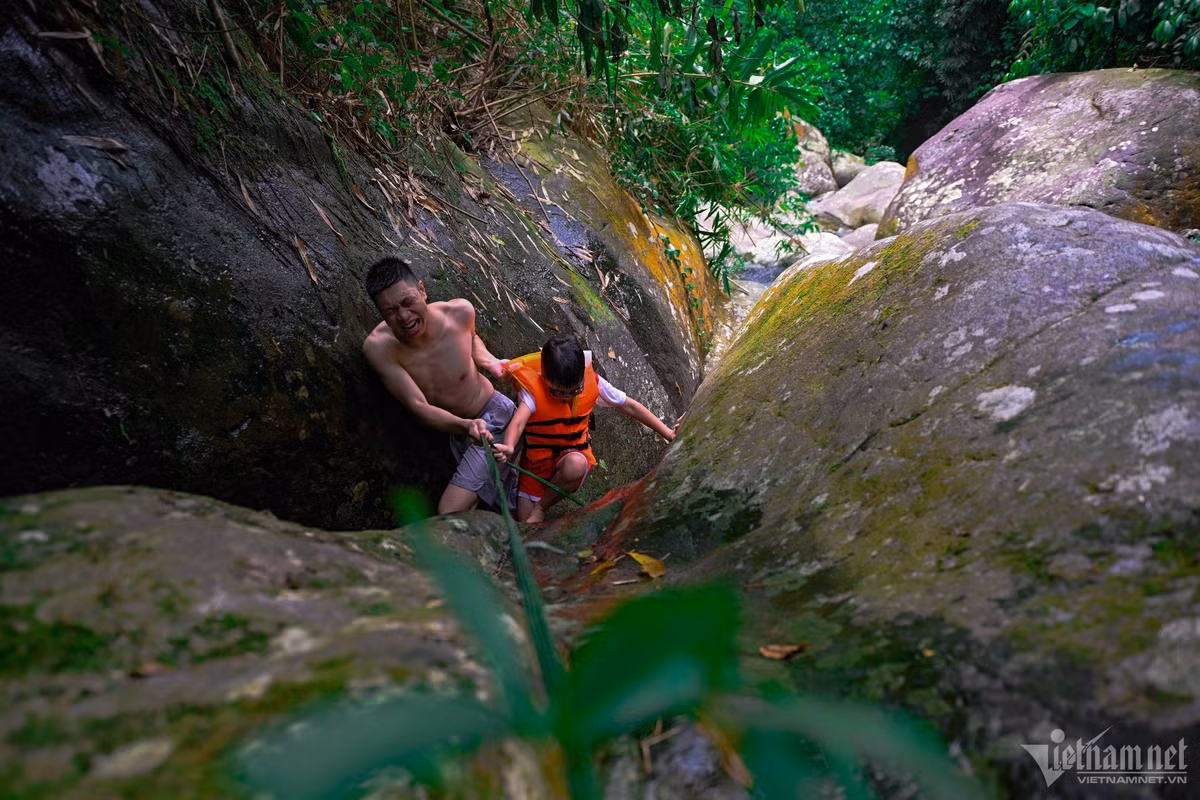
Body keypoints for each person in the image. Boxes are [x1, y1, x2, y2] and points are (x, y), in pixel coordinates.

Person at [362, 257, 515, 514]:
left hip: (493, 417)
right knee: (498, 507)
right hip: (460, 430)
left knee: (450, 511)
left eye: (408, 302)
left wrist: (490, 361)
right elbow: (417, 404)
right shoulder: (379, 349)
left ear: (422, 290)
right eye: (390, 311)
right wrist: (464, 426)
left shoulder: (459, 313)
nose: (403, 316)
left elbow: (473, 338)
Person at [496, 334, 676, 523]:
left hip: (571, 459)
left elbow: (629, 405)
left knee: (575, 465)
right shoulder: (533, 392)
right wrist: (508, 446)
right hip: (536, 466)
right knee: (525, 524)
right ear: (544, 377)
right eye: (556, 392)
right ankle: (530, 501)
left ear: (582, 375)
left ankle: (542, 506)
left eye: (574, 391)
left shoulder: (594, 383)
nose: (565, 398)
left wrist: (668, 433)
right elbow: (517, 422)